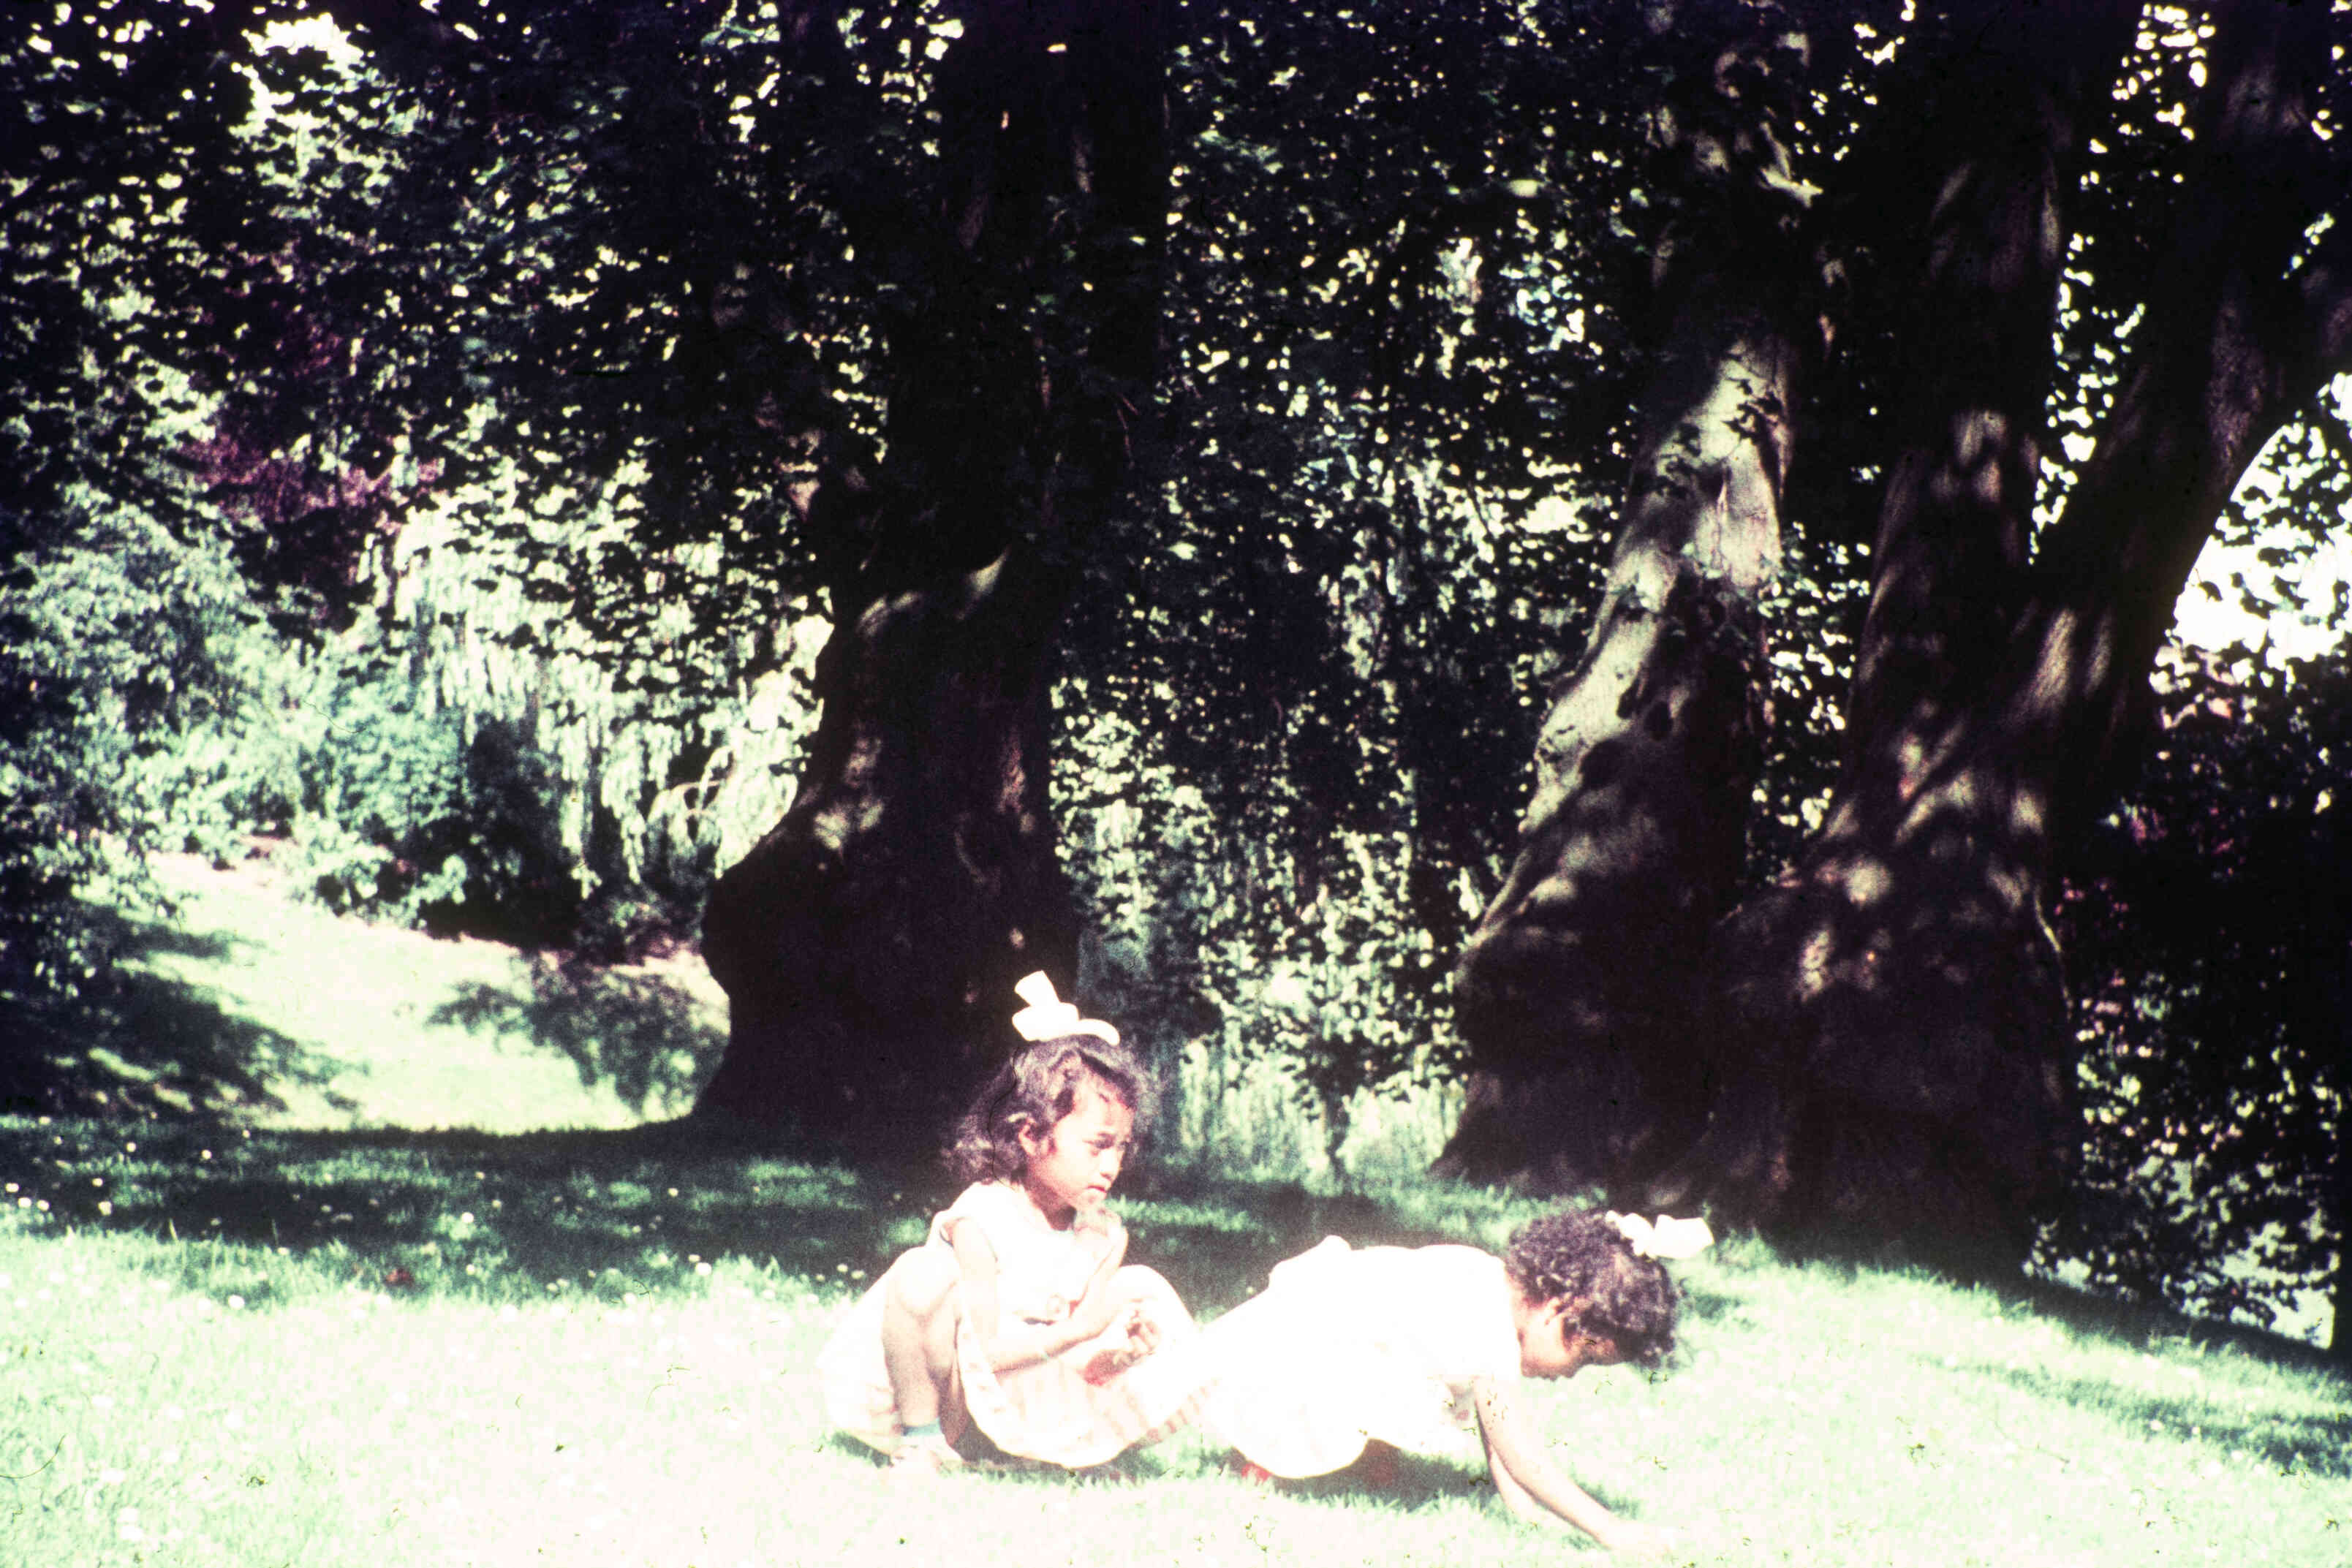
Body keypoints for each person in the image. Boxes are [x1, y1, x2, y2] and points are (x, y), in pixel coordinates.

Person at [819, 972, 1203, 1473]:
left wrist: (1120, 1354)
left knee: (1139, 1288)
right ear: (1029, 1133)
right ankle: (923, 1442)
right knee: (921, 1272)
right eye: (1097, 1144)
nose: (1111, 1164)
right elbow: (981, 1355)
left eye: (1121, 1147)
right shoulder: (983, 1218)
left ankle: (1059, 1448)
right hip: (955, 1401)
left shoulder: (1101, 1234)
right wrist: (1078, 1328)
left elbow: (1082, 1361)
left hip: (1030, 1399)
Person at [1200, 1207, 1710, 1554]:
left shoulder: (1492, 1284)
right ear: (1561, 1309)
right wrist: (1609, 1528)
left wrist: (1521, 1511)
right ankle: (1263, 1460)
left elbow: (1498, 1437)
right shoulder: (1487, 1324)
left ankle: (1362, 1452)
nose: (1569, 1376)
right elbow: (1520, 1452)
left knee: (1399, 1382)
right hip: (1300, 1343)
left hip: (1345, 1341)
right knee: (1301, 1427)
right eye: (1582, 1359)